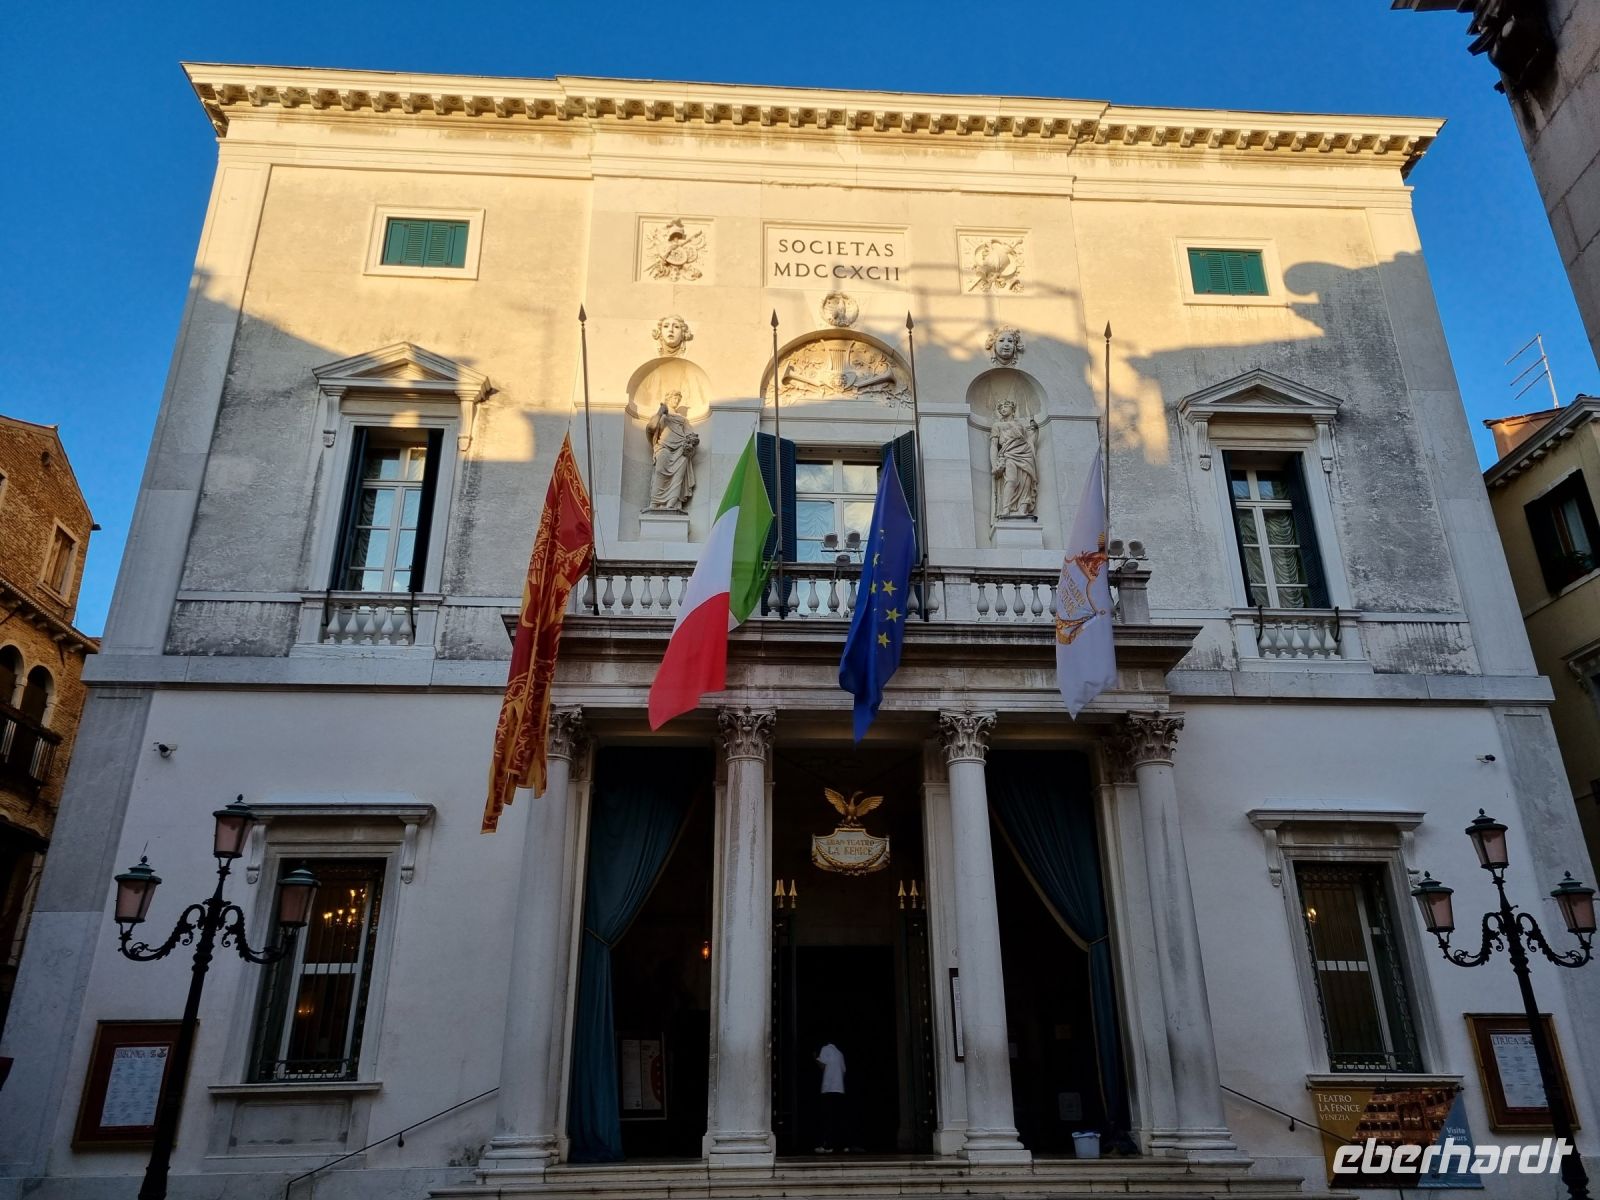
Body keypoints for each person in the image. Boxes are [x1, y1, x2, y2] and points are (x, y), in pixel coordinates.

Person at [814, 1038, 846, 1154]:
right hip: (840, 1089)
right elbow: (843, 1070)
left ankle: (828, 1145)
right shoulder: (839, 1053)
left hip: (829, 1089)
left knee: (827, 1118)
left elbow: (822, 1066)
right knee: (838, 1118)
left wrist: (815, 1058)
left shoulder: (825, 1049)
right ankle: (842, 1145)